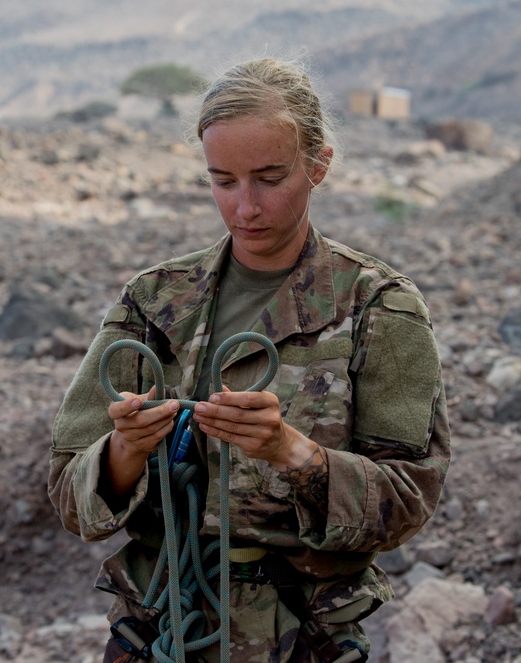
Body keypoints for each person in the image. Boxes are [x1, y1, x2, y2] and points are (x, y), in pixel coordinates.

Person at [48, 57, 450, 663]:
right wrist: (127, 450)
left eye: (269, 177)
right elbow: (68, 492)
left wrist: (295, 454)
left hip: (302, 639)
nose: (245, 207)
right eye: (223, 180)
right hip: (160, 630)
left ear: (318, 166)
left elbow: (407, 502)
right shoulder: (155, 302)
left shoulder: (377, 306)